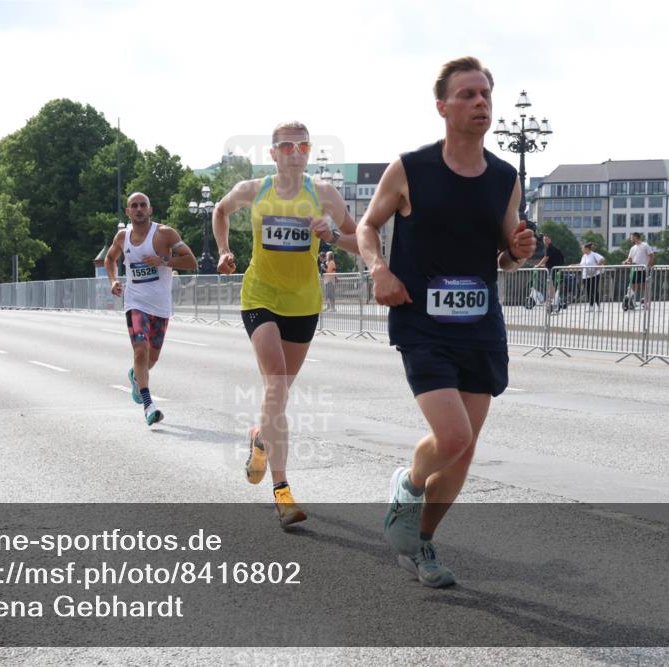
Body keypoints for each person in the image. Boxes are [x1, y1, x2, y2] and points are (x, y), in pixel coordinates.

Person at [356, 56, 536, 587]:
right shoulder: (410, 169)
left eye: (486, 94)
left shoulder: (504, 178)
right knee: (452, 437)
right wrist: (379, 268)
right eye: (468, 95)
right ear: (442, 107)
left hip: (479, 325)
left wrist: (519, 251)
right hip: (421, 321)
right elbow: (367, 227)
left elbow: (504, 257)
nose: (481, 102)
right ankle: (408, 487)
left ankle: (422, 542)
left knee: (463, 451)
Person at [214, 120, 359, 528]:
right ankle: (283, 492)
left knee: (278, 397)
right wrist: (225, 251)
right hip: (260, 296)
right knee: (275, 384)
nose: (295, 151)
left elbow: (363, 240)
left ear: (309, 152)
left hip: (303, 303)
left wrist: (330, 235)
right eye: (287, 146)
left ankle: (260, 438)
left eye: (302, 145)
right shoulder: (254, 190)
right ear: (274, 153)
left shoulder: (324, 194)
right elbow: (220, 210)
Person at [104, 192, 197, 426]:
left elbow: (191, 261)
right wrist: (113, 281)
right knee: (140, 351)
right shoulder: (122, 237)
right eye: (133, 206)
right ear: (127, 212)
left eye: (142, 205)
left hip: (161, 307)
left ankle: (136, 376)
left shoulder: (165, 234)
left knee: (151, 359)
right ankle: (149, 406)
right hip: (135, 303)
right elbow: (109, 259)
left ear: (150, 209)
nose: (138, 209)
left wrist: (163, 261)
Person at [623, 232, 655, 309]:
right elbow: (630, 259)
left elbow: (651, 256)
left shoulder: (645, 245)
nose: (631, 239)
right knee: (633, 286)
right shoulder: (633, 248)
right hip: (635, 269)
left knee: (645, 286)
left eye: (632, 237)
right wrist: (625, 262)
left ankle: (646, 303)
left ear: (636, 237)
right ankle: (631, 301)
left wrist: (647, 267)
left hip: (644, 269)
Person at [533, 234, 565, 310]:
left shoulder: (549, 248)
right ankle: (555, 300)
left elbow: (546, 258)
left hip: (554, 268)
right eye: (544, 239)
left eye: (547, 239)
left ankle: (554, 301)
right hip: (554, 267)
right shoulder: (548, 248)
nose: (545, 241)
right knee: (551, 285)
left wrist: (538, 265)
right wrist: (543, 265)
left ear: (550, 240)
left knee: (551, 285)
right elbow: (550, 259)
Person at [578, 242, 605, 311]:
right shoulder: (584, 256)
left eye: (582, 248)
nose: (582, 249)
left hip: (594, 275)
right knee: (588, 291)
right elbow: (581, 265)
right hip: (585, 276)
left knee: (594, 290)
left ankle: (599, 306)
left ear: (587, 248)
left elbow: (602, 259)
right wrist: (572, 265)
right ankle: (591, 306)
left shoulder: (594, 254)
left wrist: (596, 268)